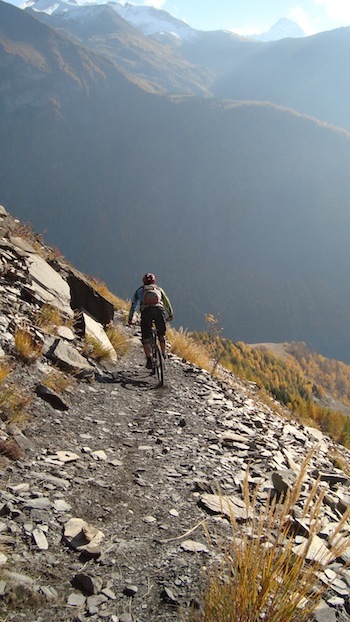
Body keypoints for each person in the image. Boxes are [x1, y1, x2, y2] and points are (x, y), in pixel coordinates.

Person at [128, 273, 173, 369]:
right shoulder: (159, 289)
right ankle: (163, 354)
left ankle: (149, 359)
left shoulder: (139, 291)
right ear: (154, 281)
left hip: (146, 313)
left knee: (145, 338)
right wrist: (170, 314)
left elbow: (133, 305)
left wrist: (130, 319)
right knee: (161, 335)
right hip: (159, 312)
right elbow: (166, 302)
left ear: (143, 281)